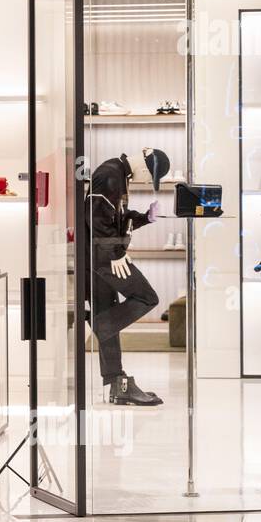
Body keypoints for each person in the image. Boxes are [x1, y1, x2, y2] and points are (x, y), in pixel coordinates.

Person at [87, 152, 164, 406]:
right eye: (149, 176)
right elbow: (96, 217)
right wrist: (116, 253)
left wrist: (144, 218)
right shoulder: (111, 175)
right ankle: (102, 325)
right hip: (105, 258)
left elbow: (115, 217)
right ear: (144, 166)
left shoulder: (116, 173)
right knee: (147, 297)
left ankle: (117, 384)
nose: (145, 180)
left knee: (107, 311)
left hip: (99, 258)